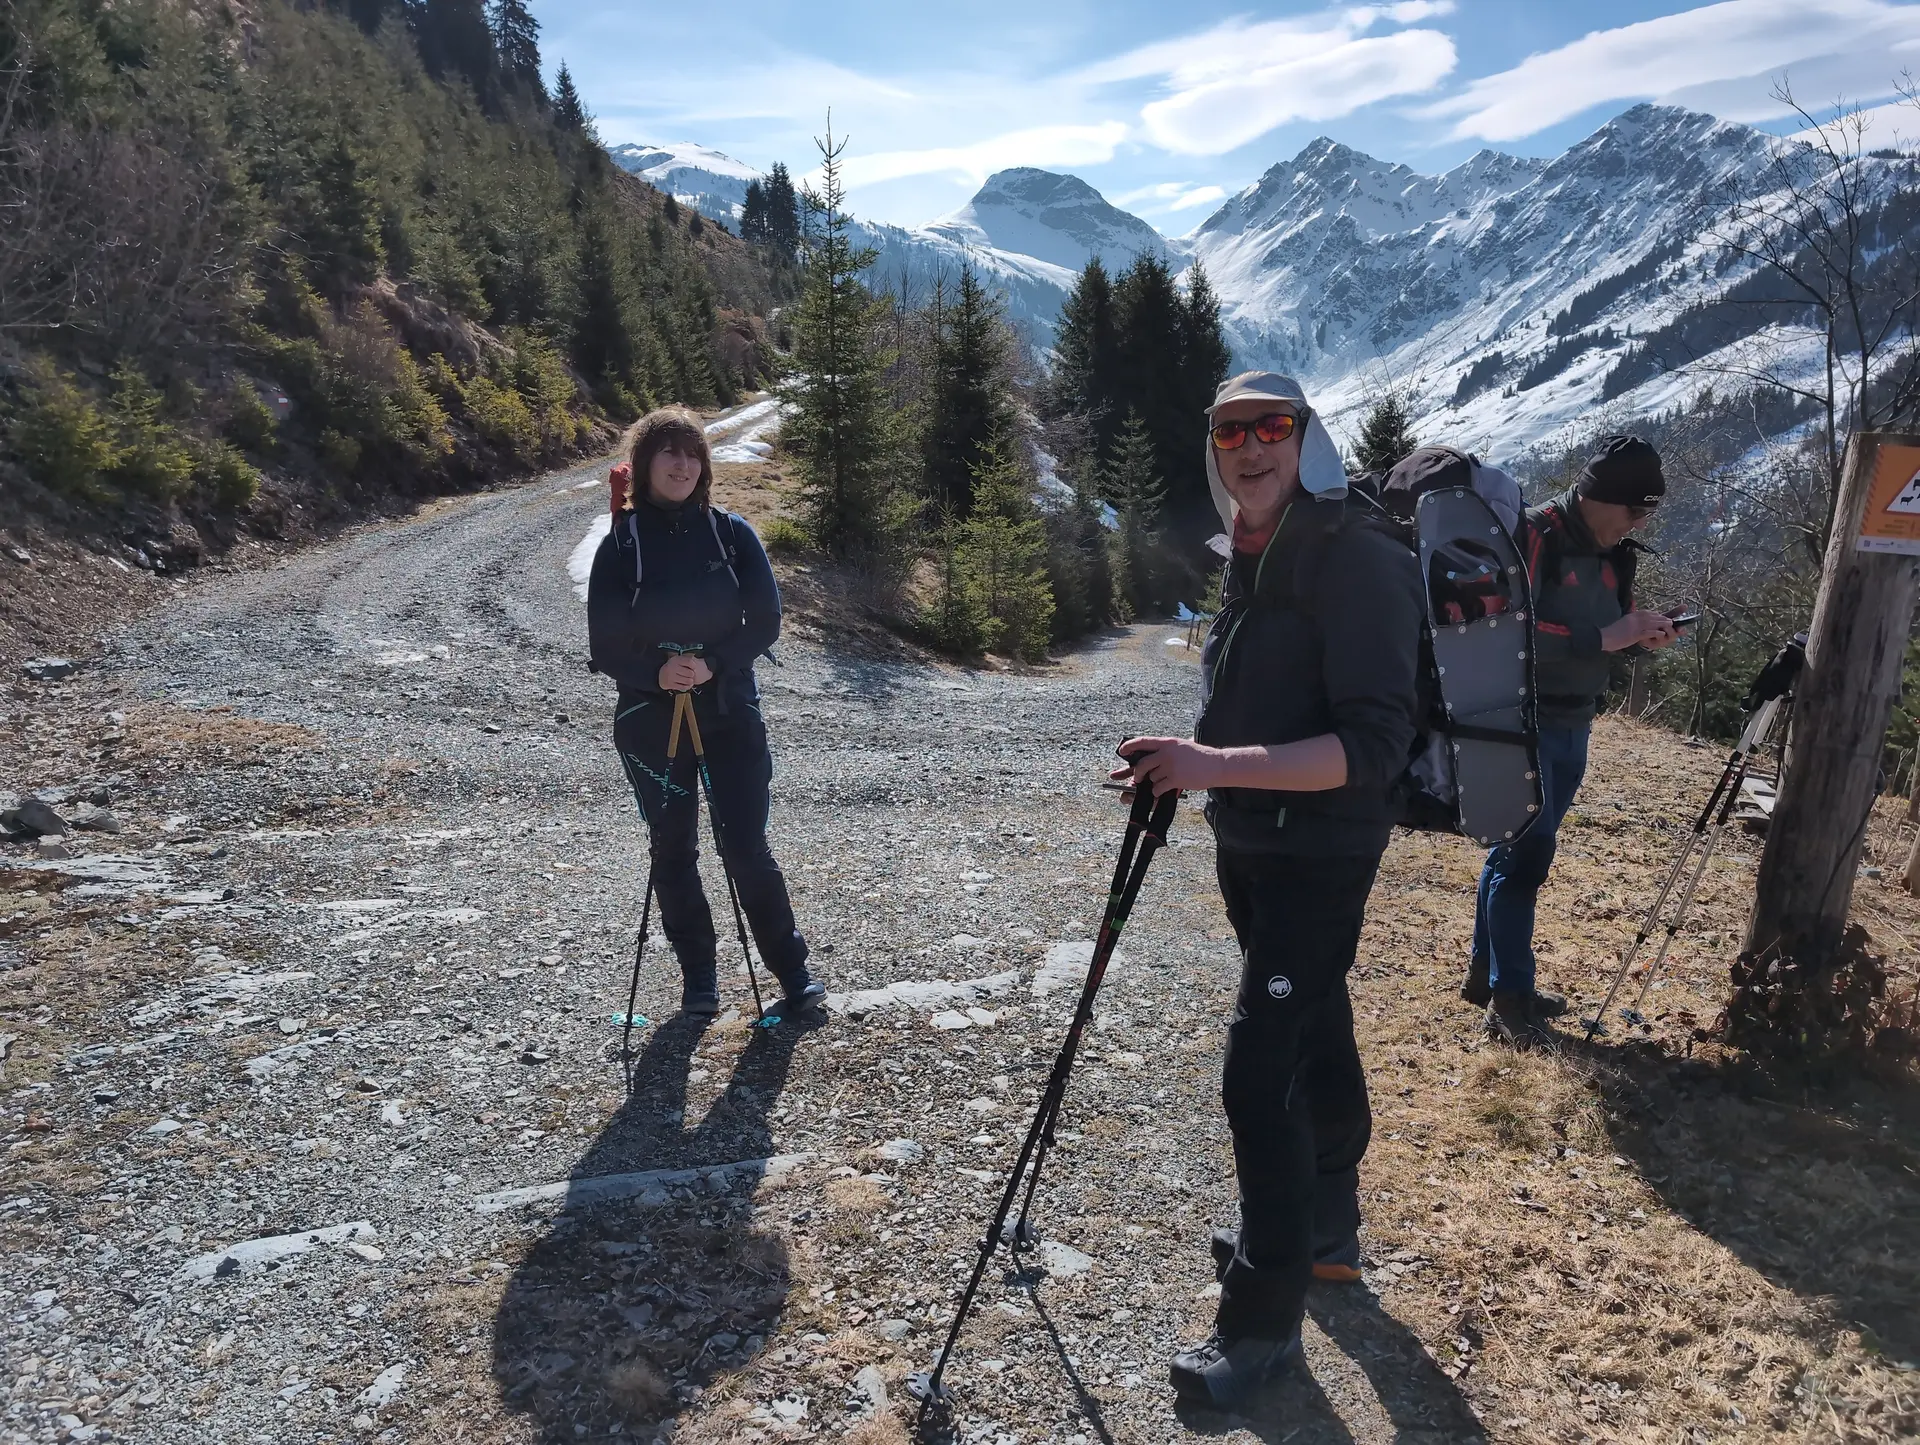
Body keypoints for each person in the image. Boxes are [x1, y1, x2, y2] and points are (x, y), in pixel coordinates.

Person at [1116, 372, 1424, 1410]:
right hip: (1253, 841)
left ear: (1307, 437)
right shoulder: (1257, 544)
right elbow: (1257, 696)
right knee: (1313, 1021)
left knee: (1259, 1074)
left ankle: (1262, 1321)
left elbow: (1374, 747)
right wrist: (1185, 762)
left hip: (1319, 851)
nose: (1250, 446)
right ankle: (1323, 1222)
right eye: (1229, 430)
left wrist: (1211, 765)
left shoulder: (1356, 553)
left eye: (1272, 427)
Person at [586, 407, 823, 1021]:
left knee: (745, 847)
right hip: (647, 719)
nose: (683, 464)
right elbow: (604, 646)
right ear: (643, 465)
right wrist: (656, 673)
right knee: (673, 850)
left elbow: (765, 622)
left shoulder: (732, 533)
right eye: (669, 452)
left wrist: (712, 664)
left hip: (729, 711)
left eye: (692, 454)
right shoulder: (621, 546)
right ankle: (699, 984)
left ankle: (792, 973)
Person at [1463, 434, 1678, 1047]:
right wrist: (1606, 638)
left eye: (1648, 513)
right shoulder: (1537, 535)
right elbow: (1504, 627)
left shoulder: (1618, 555)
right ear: (1597, 496)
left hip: (1575, 722)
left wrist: (1639, 636)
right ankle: (1510, 1000)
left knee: (1514, 850)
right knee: (1526, 856)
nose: (1639, 521)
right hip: (1520, 719)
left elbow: (1607, 630)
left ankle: (1488, 976)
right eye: (1635, 509)